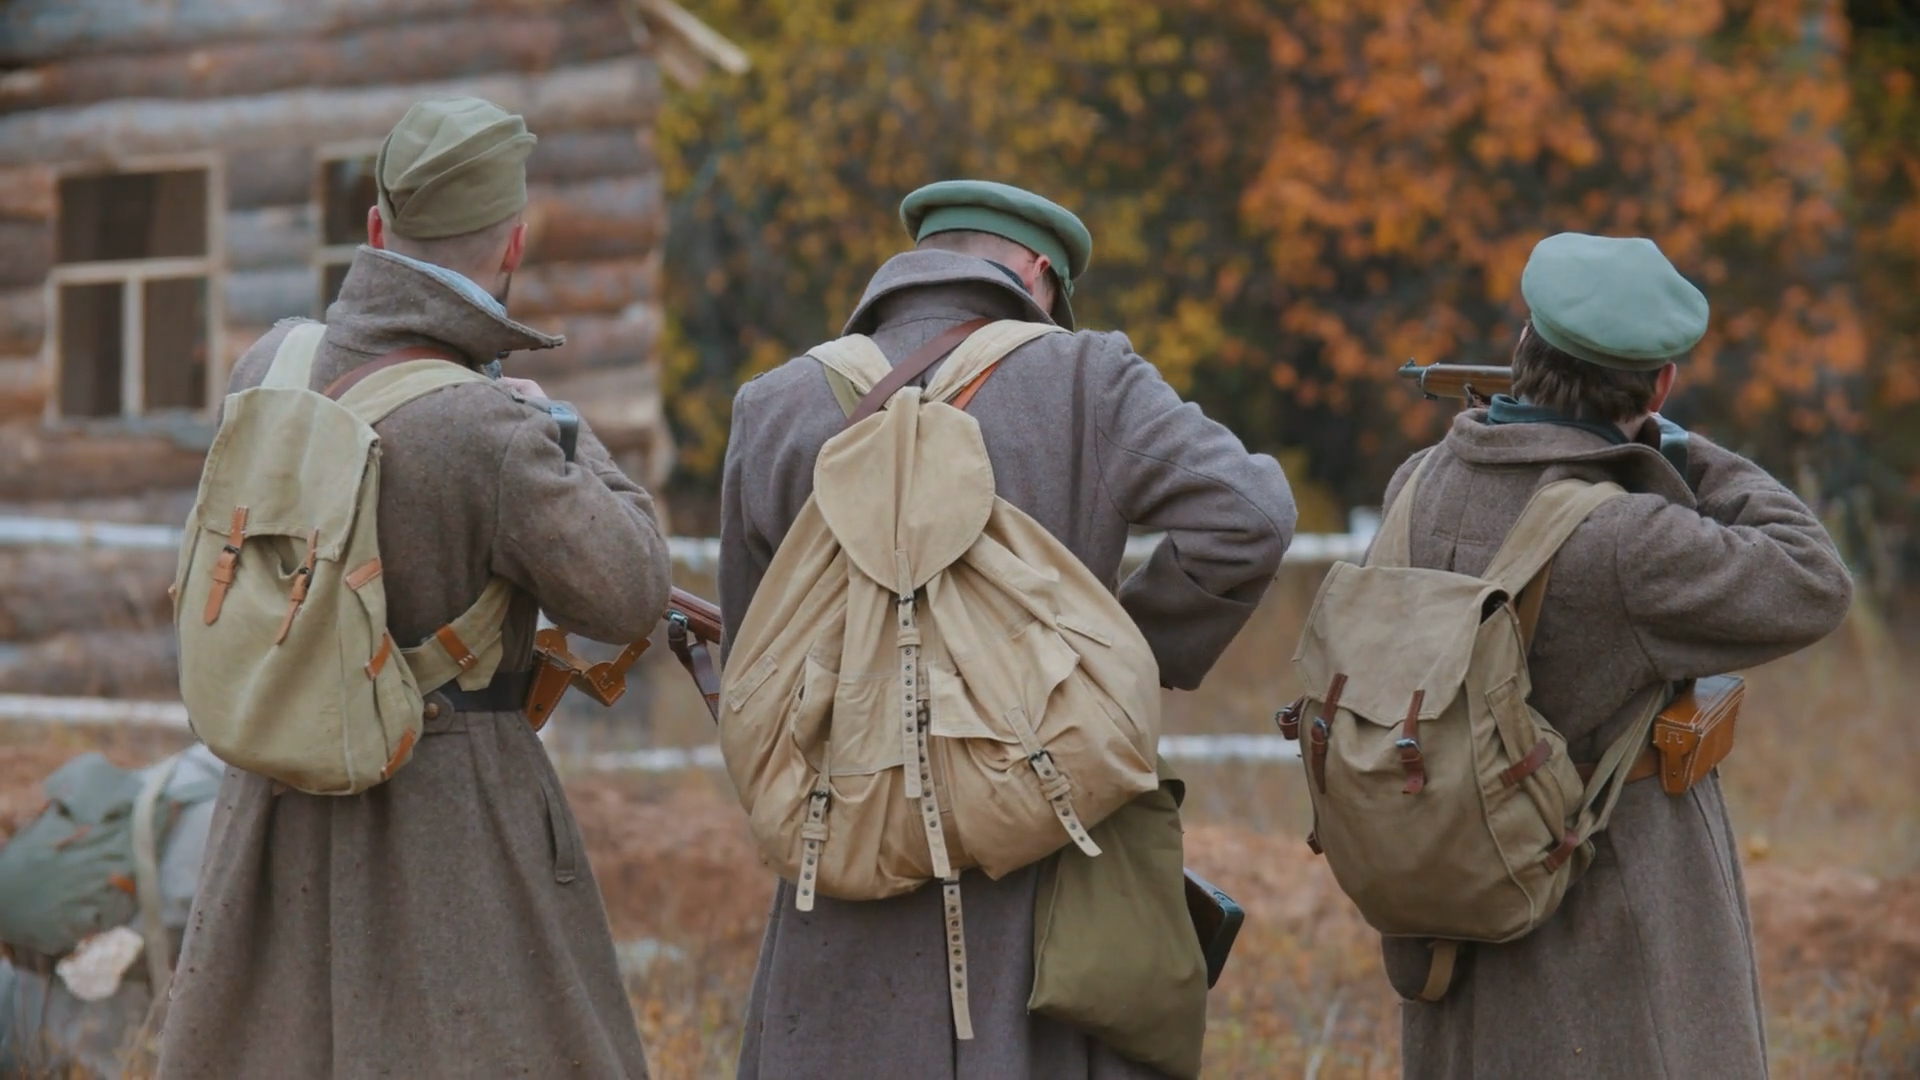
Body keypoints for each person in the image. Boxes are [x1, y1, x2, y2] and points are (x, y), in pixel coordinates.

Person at [719, 179, 1297, 1079]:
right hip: (1040, 869)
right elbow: (1251, 515)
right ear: (1037, 273)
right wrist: (1113, 660)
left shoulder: (775, 404)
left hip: (842, 874)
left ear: (916, 265)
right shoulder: (1086, 376)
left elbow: (755, 658)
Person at [156, 98, 670, 1079]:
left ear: (377, 228)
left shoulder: (269, 364)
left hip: (273, 807)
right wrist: (563, 428)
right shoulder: (495, 429)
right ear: (513, 243)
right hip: (450, 823)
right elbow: (631, 590)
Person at [1378, 232, 1853, 1078]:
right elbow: (1814, 577)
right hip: (1600, 918)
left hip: (1445, 891)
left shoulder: (1418, 481)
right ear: (1661, 383)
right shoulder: (1630, 540)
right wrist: (1670, 443)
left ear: (1524, 346)